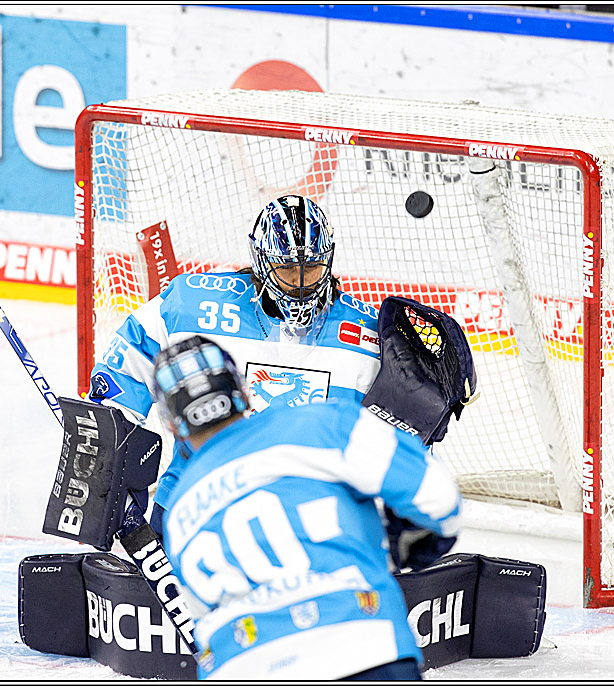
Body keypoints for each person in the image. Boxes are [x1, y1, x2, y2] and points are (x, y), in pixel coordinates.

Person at [150, 336, 463, 680]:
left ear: (172, 423)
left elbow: (197, 620)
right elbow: (439, 498)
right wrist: (405, 546)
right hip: (359, 645)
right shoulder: (320, 423)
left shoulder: (177, 510)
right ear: (242, 390)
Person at [88, 195, 383, 538]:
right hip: (195, 505)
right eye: (287, 268)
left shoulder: (368, 334)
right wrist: (111, 448)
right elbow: (127, 362)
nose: (301, 282)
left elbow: (393, 440)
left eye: (312, 267)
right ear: (262, 263)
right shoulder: (196, 304)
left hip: (309, 522)